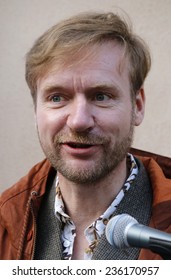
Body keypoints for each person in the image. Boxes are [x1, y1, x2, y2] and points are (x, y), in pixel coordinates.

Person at [0, 11, 171, 261]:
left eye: (101, 96)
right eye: (57, 98)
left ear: (138, 106)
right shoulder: (6, 224)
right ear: (36, 110)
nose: (79, 121)